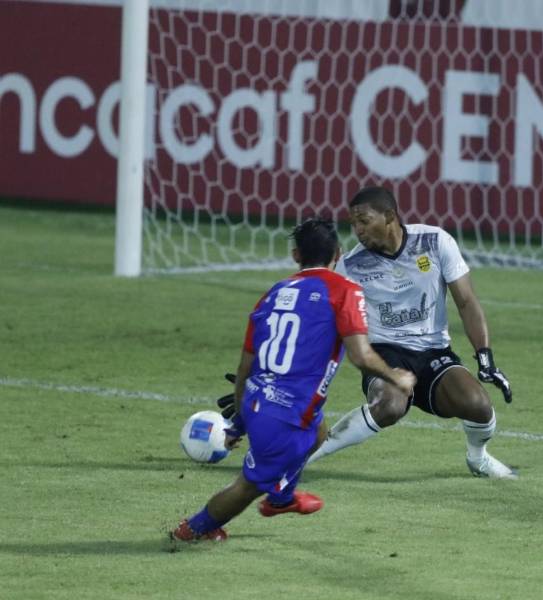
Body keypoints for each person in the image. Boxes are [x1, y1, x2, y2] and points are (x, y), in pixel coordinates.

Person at [171, 217, 416, 542]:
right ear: (338, 254)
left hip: (260, 399)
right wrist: (396, 376)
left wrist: (242, 421)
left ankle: (282, 495)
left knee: (319, 431)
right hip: (285, 416)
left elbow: (245, 367)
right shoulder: (345, 291)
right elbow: (361, 356)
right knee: (247, 487)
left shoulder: (273, 294)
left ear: (296, 255)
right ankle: (193, 529)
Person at [306, 186, 517, 479]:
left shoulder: (435, 241)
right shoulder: (350, 266)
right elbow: (322, 320)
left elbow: (466, 301)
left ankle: (478, 458)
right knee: (390, 405)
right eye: (353, 223)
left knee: (478, 405)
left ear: (389, 216)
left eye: (364, 221)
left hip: (434, 353)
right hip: (384, 354)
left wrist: (485, 358)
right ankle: (305, 457)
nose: (357, 230)